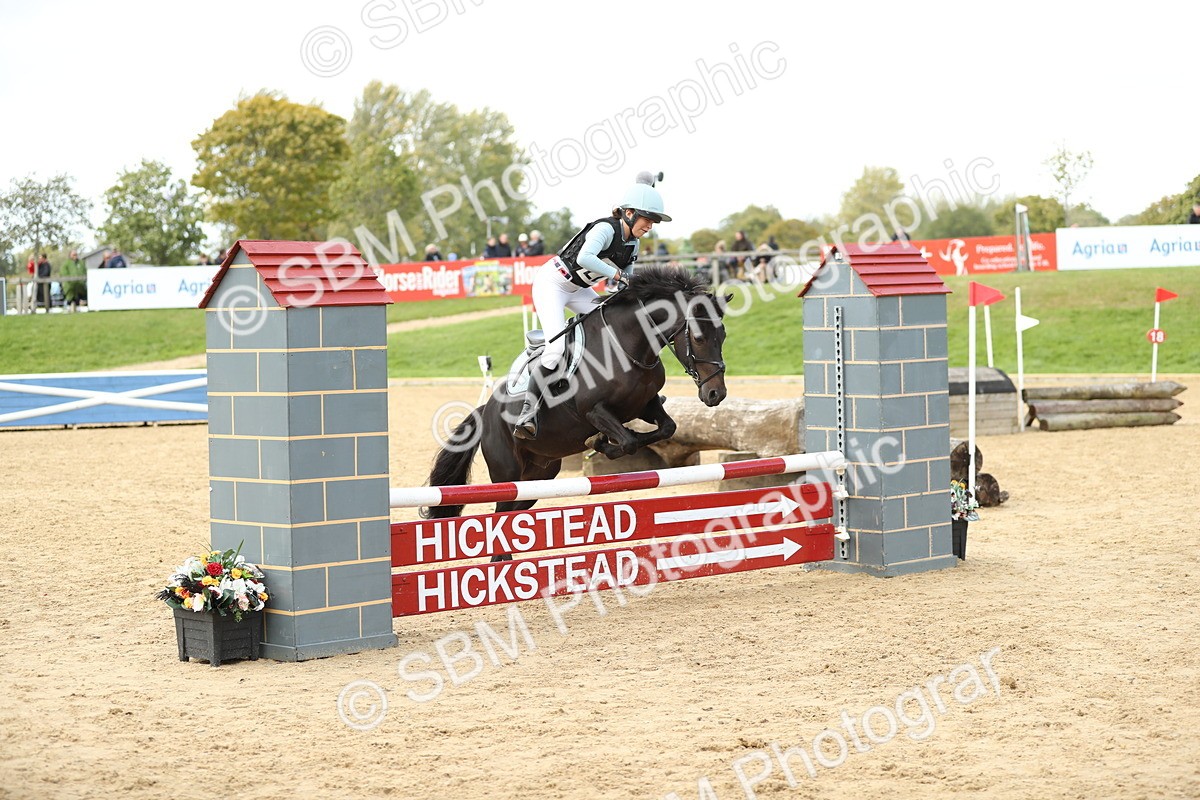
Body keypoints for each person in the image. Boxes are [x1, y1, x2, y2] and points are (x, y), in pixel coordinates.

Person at [513, 174, 671, 439]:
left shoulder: (632, 243)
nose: (650, 226)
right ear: (629, 213)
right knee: (555, 348)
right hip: (552, 284)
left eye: (653, 222)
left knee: (616, 331)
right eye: (647, 219)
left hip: (578, 290)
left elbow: (625, 278)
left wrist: (625, 290)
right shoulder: (605, 229)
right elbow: (586, 257)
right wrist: (618, 276)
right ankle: (528, 412)